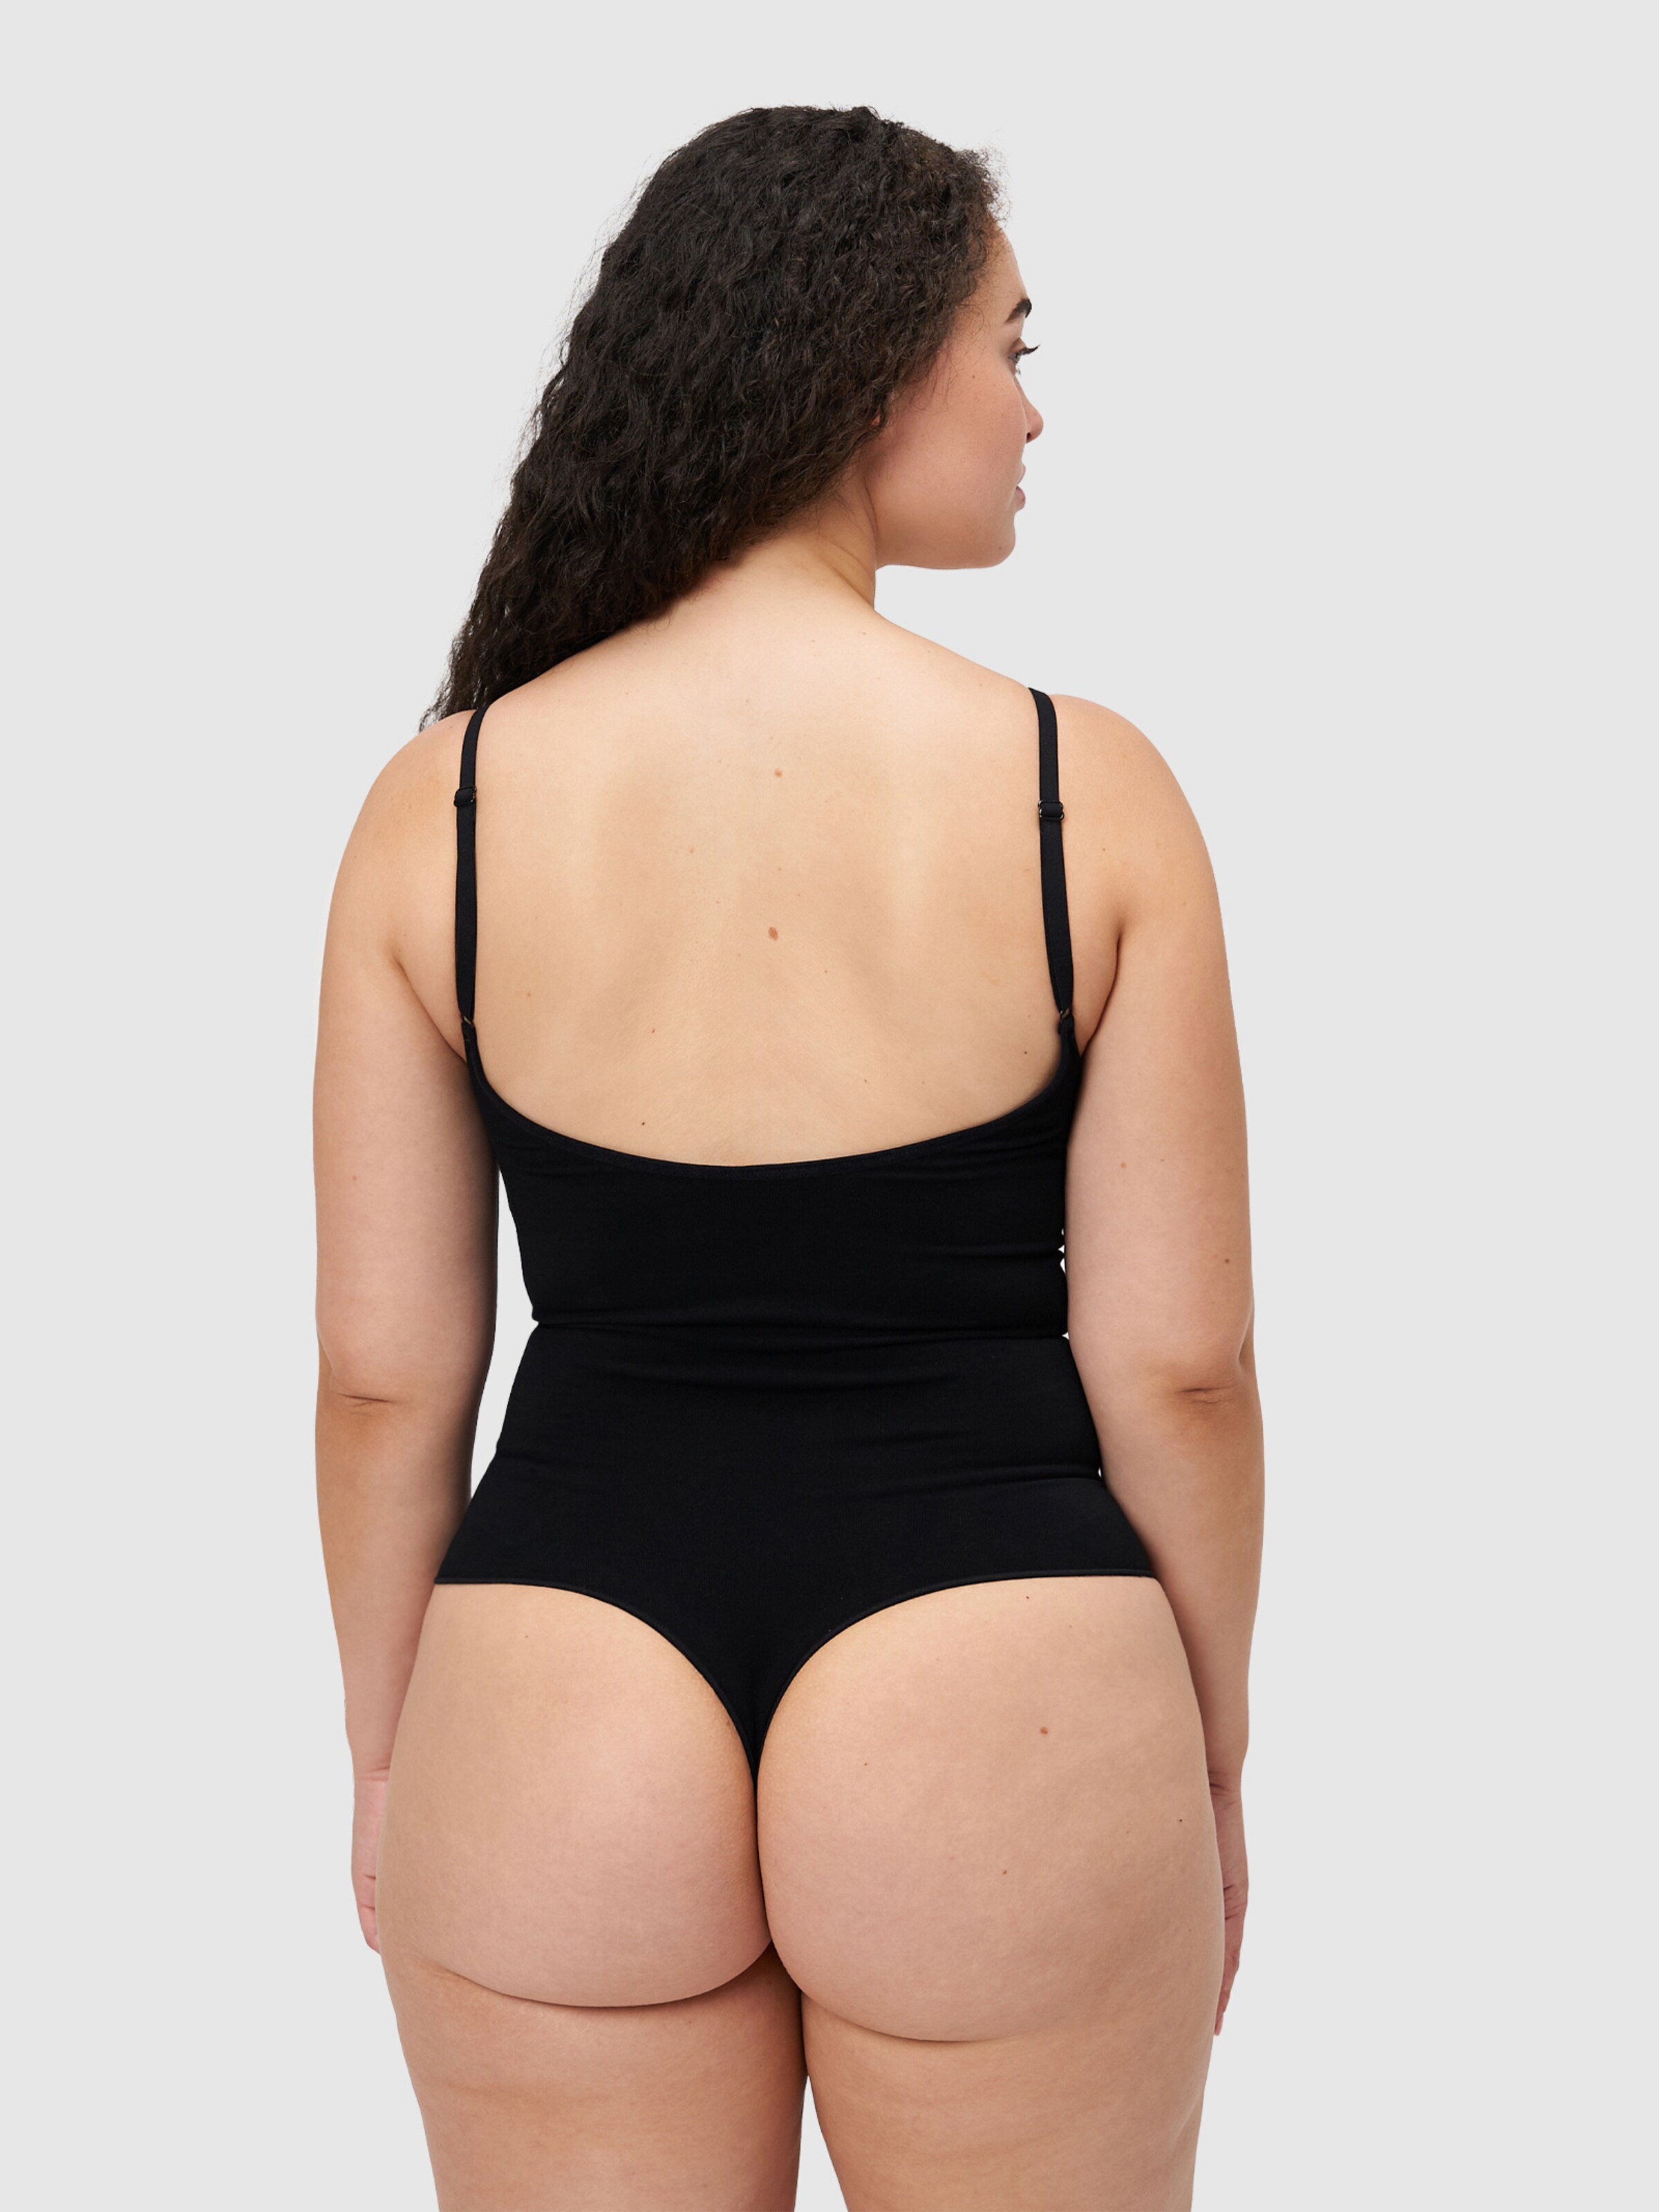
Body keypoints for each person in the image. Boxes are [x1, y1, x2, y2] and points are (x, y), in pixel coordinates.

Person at [315, 103, 1262, 2212]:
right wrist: (1199, 1751)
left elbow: (385, 1380)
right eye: (1012, 345)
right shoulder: (1084, 791)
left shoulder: (440, 804)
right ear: (872, 363)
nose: (1034, 411)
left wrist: (395, 1746)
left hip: (556, 1674)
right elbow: (1183, 1370)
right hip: (1002, 1682)